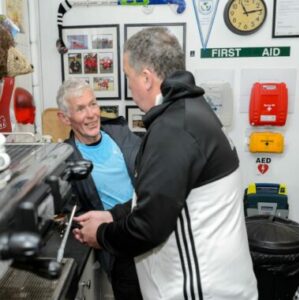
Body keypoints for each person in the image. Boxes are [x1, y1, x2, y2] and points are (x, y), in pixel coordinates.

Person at [73, 27, 258, 300]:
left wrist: (100, 234)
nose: (130, 86)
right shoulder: (189, 112)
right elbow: (162, 197)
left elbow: (148, 228)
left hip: (201, 292)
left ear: (146, 78)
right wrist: (113, 215)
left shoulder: (174, 129)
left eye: (128, 76)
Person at [56, 78, 143, 300]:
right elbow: (67, 209)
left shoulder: (122, 134)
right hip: (119, 245)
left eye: (93, 104)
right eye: (81, 108)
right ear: (65, 118)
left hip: (150, 228)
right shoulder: (66, 158)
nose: (91, 114)